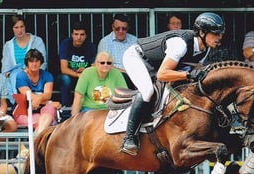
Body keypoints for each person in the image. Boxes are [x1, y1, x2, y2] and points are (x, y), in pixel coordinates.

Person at [120, 12, 225, 156]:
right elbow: (163, 75)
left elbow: (194, 71)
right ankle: (129, 138)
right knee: (147, 91)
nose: (219, 38)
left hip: (155, 64)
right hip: (136, 57)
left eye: (220, 34)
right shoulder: (180, 44)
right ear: (202, 32)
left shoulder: (204, 49)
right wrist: (187, 75)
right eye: (215, 34)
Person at [1, 14, 47, 103]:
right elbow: (5, 69)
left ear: (25, 27)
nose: (19, 30)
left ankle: (19, 103)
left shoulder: (37, 41)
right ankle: (20, 101)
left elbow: (43, 62)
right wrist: (10, 73)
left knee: (18, 75)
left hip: (34, 73)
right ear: (12, 29)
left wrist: (30, 71)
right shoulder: (8, 45)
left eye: (22, 26)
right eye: (16, 27)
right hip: (15, 76)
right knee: (16, 74)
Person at [15, 49, 61, 135]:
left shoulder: (47, 75)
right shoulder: (21, 76)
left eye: (37, 61)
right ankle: (37, 145)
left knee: (49, 111)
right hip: (24, 110)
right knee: (45, 122)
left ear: (41, 62)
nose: (34, 64)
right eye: (31, 61)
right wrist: (49, 102)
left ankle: (34, 145)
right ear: (27, 63)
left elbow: (48, 95)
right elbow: (28, 95)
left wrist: (41, 100)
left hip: (42, 110)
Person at [71, 51, 128, 115]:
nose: (105, 65)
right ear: (96, 63)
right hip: (90, 109)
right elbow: (78, 96)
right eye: (102, 63)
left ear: (112, 65)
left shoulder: (117, 73)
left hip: (110, 109)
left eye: (109, 63)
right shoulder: (87, 73)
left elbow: (124, 96)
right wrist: (73, 118)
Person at [58, 20, 96, 108]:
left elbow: (94, 66)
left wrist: (86, 70)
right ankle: (66, 108)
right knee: (65, 79)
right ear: (72, 35)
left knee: (92, 78)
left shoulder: (90, 46)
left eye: (82, 34)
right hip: (69, 75)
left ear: (86, 36)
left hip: (84, 75)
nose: (79, 37)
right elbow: (64, 69)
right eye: (76, 34)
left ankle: (88, 107)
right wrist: (77, 74)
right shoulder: (66, 44)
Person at [97, 14, 138, 88]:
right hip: (113, 75)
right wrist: (125, 72)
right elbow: (103, 65)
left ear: (127, 28)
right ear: (113, 27)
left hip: (134, 74)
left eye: (124, 28)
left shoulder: (134, 40)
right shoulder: (105, 42)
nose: (121, 31)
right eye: (117, 28)